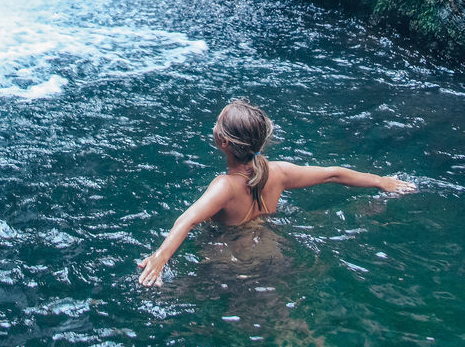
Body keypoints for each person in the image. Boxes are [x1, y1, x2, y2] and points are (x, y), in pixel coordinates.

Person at [137, 98, 417, 286]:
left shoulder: (225, 186)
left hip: (231, 265)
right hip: (275, 254)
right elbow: (333, 173)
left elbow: (187, 220)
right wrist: (381, 181)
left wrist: (159, 259)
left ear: (222, 141)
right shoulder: (278, 172)